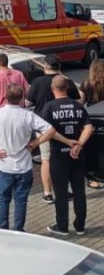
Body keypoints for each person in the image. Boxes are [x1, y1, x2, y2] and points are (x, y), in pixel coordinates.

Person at [0, 84, 54, 232]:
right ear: (21, 98)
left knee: (3, 199)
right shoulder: (27, 115)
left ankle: (2, 228)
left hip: (5, 165)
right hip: (24, 166)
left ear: (6, 97)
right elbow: (50, 130)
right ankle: (18, 229)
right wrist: (36, 142)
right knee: (21, 200)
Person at [43, 75, 94, 237]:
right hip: (77, 155)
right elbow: (89, 128)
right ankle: (80, 226)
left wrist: (67, 142)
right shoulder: (77, 106)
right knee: (79, 190)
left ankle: (62, 226)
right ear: (67, 88)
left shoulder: (49, 107)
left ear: (53, 89)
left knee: (61, 192)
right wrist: (79, 144)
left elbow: (47, 131)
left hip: (59, 155)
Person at [25, 54, 80, 203]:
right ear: (59, 67)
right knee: (65, 158)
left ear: (45, 66)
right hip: (65, 126)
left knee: (46, 160)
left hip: (44, 128)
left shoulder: (37, 82)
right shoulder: (66, 81)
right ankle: (65, 191)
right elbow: (79, 100)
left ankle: (47, 193)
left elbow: (28, 102)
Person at [79, 59, 104, 188]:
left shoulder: (86, 84)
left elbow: (81, 103)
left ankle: (93, 176)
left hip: (92, 120)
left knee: (93, 148)